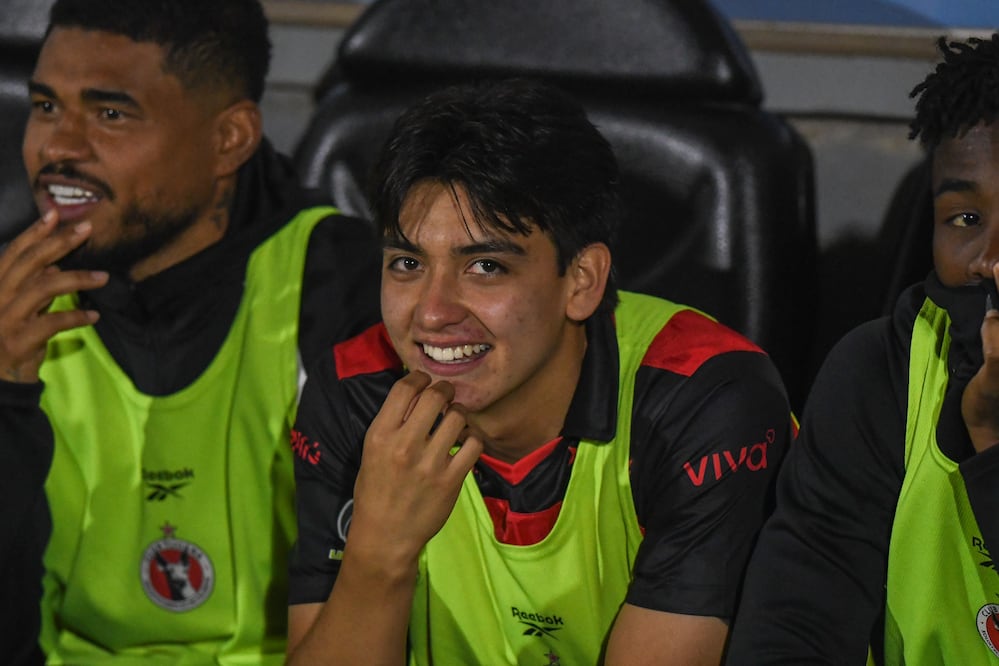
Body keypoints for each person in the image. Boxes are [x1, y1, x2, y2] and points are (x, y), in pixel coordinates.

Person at [284, 78, 794, 665]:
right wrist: (378, 555)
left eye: (484, 267)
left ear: (582, 281)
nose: (431, 312)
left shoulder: (705, 400)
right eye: (406, 262)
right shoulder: (355, 393)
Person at [0, 0, 381, 662]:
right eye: (45, 106)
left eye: (110, 113)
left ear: (228, 138)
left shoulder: (345, 290)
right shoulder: (12, 293)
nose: (57, 147)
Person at [726, 33, 999, 666]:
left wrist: (990, 448)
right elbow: (793, 625)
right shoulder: (879, 372)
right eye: (964, 219)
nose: (990, 261)